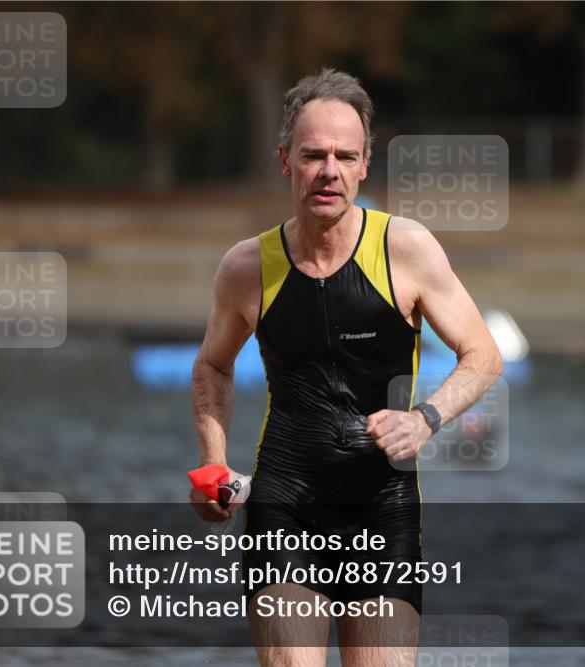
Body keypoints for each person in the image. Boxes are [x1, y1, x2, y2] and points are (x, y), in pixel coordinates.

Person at [189, 68, 503, 667]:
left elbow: (483, 354)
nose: (328, 170)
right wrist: (212, 459)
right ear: (285, 160)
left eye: (344, 156)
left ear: (364, 166)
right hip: (285, 500)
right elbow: (212, 368)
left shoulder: (406, 249)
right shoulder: (246, 267)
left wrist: (426, 420)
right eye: (312, 155)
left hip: (381, 506)